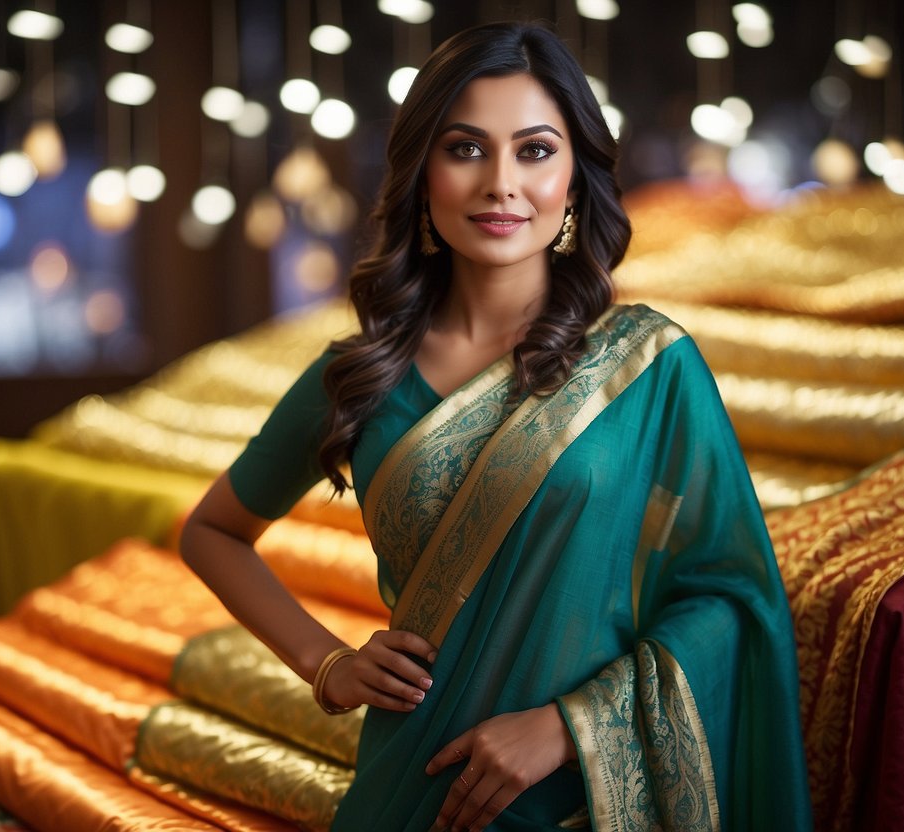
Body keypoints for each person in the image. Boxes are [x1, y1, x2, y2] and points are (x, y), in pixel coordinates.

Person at [180, 20, 812, 832]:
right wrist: (325, 663)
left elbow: (727, 597)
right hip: (409, 786)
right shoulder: (362, 375)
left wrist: (569, 727)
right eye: (466, 148)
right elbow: (213, 532)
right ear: (421, 174)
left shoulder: (647, 366)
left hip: (579, 798)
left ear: (576, 178)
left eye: (536, 150)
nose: (501, 184)